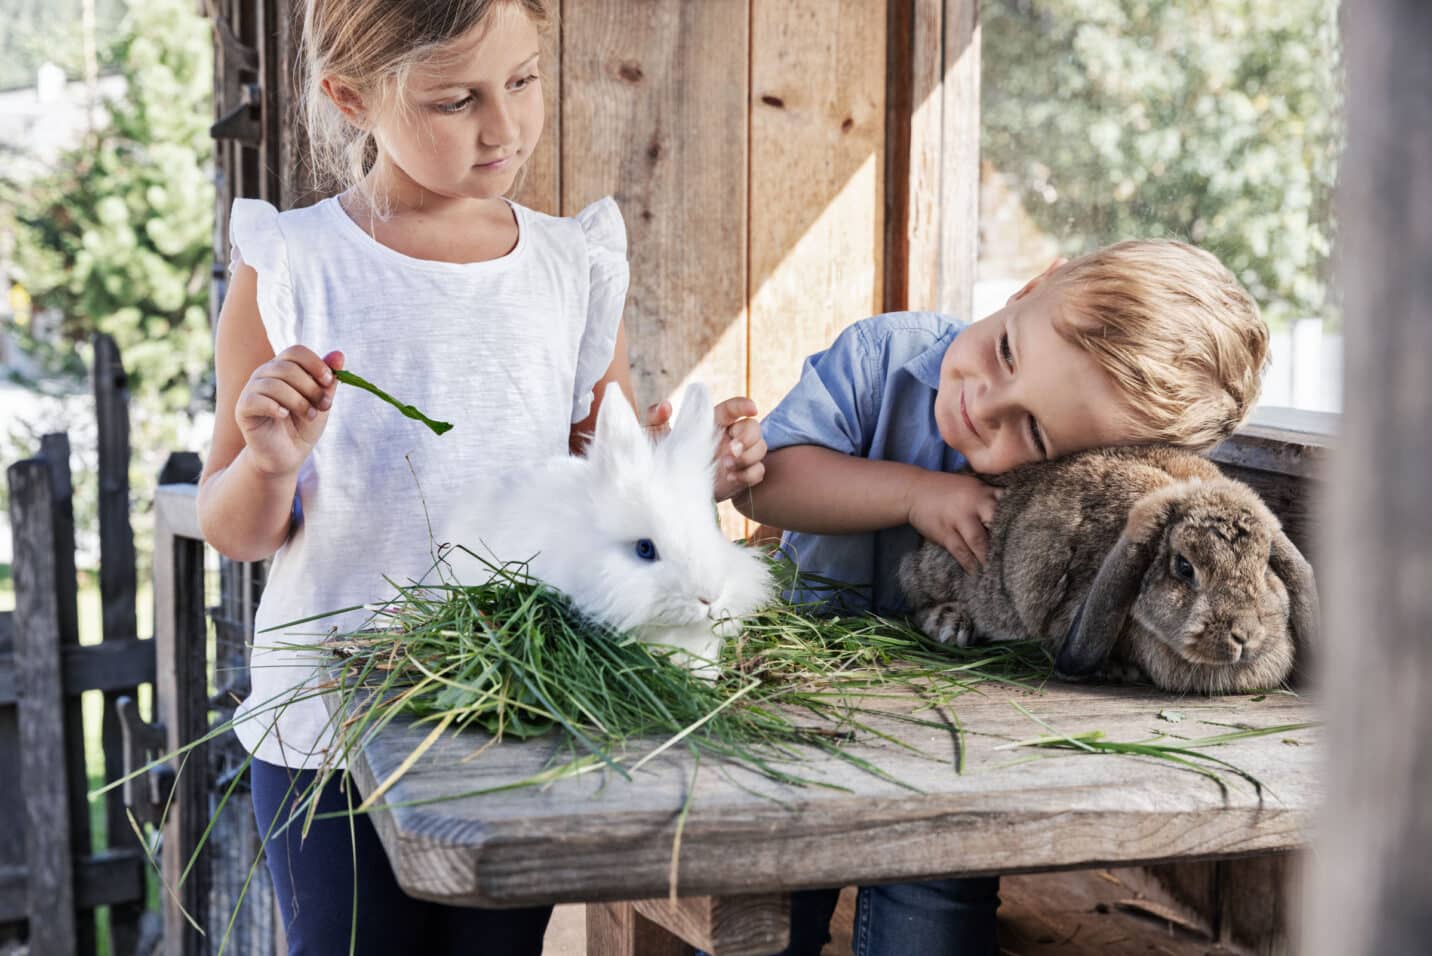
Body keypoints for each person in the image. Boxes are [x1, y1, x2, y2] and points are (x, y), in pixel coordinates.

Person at [195, 1, 766, 952]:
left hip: (515, 715)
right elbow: (238, 529)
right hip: (330, 733)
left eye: (523, 80)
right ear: (350, 97)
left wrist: (688, 477)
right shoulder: (293, 266)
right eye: (456, 100)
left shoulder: (569, 265)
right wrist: (268, 460)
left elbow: (604, 486)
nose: (503, 127)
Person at [733, 240, 1269, 955]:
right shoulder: (883, 356)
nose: (985, 406)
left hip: (955, 712)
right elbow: (765, 480)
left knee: (940, 883)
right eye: (1008, 354)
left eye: (1035, 431)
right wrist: (914, 492)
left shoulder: (1071, 496)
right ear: (1032, 285)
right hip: (797, 679)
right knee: (772, 881)